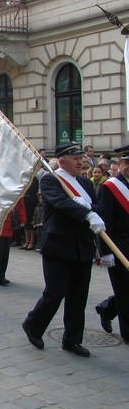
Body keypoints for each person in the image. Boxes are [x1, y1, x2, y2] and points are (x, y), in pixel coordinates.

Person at [22, 142, 105, 357]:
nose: (82, 162)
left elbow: (97, 206)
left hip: (82, 247)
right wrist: (84, 212)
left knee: (79, 296)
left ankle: (72, 340)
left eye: (82, 158)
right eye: (76, 159)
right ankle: (33, 325)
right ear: (63, 161)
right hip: (59, 246)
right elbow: (60, 203)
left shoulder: (85, 183)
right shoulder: (52, 179)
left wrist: (90, 210)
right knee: (55, 293)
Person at [95, 145, 129, 342]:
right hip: (120, 246)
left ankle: (107, 310)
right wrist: (105, 253)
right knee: (124, 290)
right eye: (127, 163)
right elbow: (104, 223)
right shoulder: (110, 187)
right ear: (120, 164)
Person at [0, 200, 27, 286]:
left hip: (7, 223)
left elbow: (20, 200)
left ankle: (0, 275)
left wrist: (22, 218)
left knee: (4, 253)